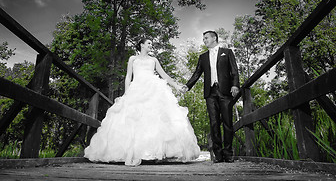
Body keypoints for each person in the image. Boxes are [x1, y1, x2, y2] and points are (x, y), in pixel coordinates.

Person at [84, 38, 200, 166]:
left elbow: (165, 76)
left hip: (153, 88)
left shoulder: (153, 60)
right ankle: (135, 152)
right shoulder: (133, 59)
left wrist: (178, 87)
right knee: (133, 119)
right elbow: (128, 76)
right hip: (137, 88)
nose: (151, 45)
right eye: (149, 43)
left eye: (151, 44)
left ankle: (154, 153)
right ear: (141, 45)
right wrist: (127, 93)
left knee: (155, 119)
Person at [181, 30, 240, 163]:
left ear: (214, 38)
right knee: (214, 123)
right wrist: (187, 86)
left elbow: (234, 70)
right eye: (203, 39)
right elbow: (197, 73)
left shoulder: (227, 52)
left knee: (228, 123)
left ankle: (228, 153)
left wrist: (235, 85)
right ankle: (218, 155)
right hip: (210, 93)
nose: (204, 41)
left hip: (225, 92)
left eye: (206, 38)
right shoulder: (202, 57)